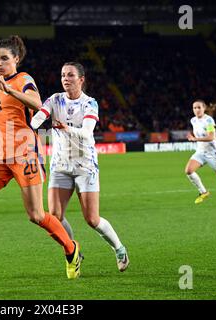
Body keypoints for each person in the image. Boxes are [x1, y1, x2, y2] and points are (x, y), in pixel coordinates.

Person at [0, 36, 82, 285]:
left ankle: (71, 248)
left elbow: (37, 103)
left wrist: (9, 89)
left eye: (4, 58)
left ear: (16, 59)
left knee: (36, 215)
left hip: (25, 154)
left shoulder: (24, 80)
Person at [30, 62, 129, 272]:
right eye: (63, 75)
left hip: (85, 165)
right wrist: (31, 127)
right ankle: (73, 251)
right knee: (54, 216)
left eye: (71, 75)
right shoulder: (54, 99)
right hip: (60, 165)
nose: (66, 78)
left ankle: (119, 248)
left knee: (92, 219)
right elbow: (40, 116)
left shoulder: (90, 103)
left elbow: (86, 132)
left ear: (81, 79)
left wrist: (66, 128)